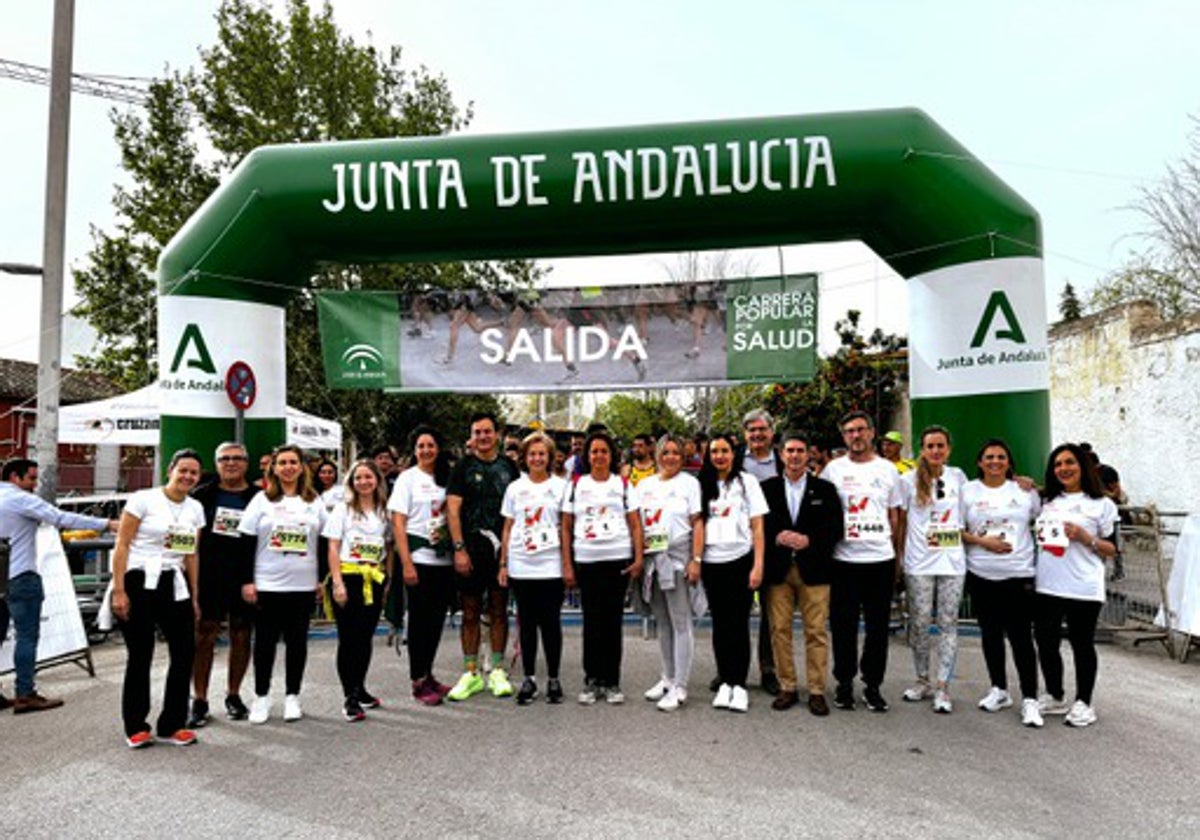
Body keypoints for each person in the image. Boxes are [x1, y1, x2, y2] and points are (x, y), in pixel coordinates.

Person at [0, 458, 116, 713]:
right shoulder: (21, 499)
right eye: (30, 478)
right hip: (21, 576)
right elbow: (59, 517)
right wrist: (106, 524)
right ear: (15, 478)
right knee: (27, 636)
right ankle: (25, 693)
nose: (34, 484)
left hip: (2, 575)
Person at [111, 449, 206, 748]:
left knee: (184, 652)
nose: (188, 476)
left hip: (174, 582)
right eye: (183, 470)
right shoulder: (144, 499)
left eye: (194, 473)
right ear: (170, 470)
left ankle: (173, 723)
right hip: (139, 579)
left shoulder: (195, 509)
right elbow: (122, 544)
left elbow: (191, 555)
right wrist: (119, 589)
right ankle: (135, 725)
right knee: (141, 653)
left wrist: (194, 596)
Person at [239, 444, 328, 724]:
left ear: (302, 467)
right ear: (273, 468)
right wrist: (247, 581)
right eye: (283, 463)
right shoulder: (261, 500)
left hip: (303, 584)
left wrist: (321, 579)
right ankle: (261, 697)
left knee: (297, 643)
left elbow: (325, 542)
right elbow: (246, 542)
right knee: (264, 643)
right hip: (267, 583)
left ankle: (293, 696)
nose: (288, 467)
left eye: (293, 462)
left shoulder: (314, 501)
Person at [822, 410, 904, 712]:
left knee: (877, 628)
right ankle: (844, 683)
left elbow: (895, 514)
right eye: (849, 431)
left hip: (880, 560)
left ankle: (872, 685)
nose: (855, 436)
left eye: (860, 430)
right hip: (844, 560)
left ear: (871, 432)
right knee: (843, 626)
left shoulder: (888, 470)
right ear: (844, 437)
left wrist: (897, 556)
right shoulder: (832, 470)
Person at [1033, 443, 1119, 728]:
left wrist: (1085, 537)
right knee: (1046, 642)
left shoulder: (1102, 505)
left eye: (1069, 462)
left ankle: (1084, 702)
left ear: (1082, 466)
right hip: (1048, 584)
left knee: (1082, 644)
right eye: (1058, 464)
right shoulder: (1047, 501)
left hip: (1083, 586)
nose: (1064, 469)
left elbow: (1112, 549)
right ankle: (1056, 695)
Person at [961, 438, 1044, 727]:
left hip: (1018, 573)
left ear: (1009, 462)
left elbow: (1043, 519)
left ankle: (1031, 699)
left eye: (1000, 457)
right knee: (990, 634)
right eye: (988, 457)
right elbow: (956, 530)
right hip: (981, 573)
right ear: (979, 462)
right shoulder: (968, 491)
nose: (994, 461)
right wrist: (983, 541)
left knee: (1021, 637)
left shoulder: (1024, 491)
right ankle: (999, 689)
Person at [760, 431, 844, 716]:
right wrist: (776, 536)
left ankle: (817, 690)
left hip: (815, 570)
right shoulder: (767, 488)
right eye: (789, 451)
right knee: (779, 631)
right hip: (778, 571)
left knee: (816, 632)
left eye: (800, 451)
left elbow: (835, 529)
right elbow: (757, 526)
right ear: (781, 454)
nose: (794, 456)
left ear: (809, 454)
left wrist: (810, 541)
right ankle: (788, 686)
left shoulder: (825, 489)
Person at [562, 430, 644, 704]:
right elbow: (565, 526)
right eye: (594, 451)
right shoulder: (576, 485)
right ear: (586, 456)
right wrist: (567, 564)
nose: (598, 456)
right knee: (592, 621)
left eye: (604, 451)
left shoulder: (622, 485)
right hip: (586, 559)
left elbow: (635, 523)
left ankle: (612, 681)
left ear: (612, 456)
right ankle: (591, 679)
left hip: (617, 559)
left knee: (612, 622)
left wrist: (638, 557)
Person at [445, 412, 521, 700]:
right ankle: (471, 672)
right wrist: (459, 548)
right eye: (477, 432)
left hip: (502, 549)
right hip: (471, 549)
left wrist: (510, 551)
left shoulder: (509, 467)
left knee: (499, 609)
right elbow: (452, 510)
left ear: (497, 434)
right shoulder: (463, 467)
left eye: (487, 432)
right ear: (472, 436)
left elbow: (515, 512)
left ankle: (498, 670)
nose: (483, 437)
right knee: (471, 611)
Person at [897, 426, 969, 713]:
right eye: (930, 446)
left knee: (949, 623)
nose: (936, 451)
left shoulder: (959, 477)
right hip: (919, 562)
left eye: (941, 446)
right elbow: (901, 522)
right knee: (920, 624)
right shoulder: (907, 480)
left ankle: (943, 686)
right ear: (922, 449)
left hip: (952, 561)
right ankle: (922, 679)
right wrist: (899, 557)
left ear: (948, 448)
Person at [188, 442, 259, 726]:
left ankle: (234, 695)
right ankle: (200, 699)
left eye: (237, 458)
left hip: (245, 577)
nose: (231, 463)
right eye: (225, 459)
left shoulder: (260, 497)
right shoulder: (201, 496)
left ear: (246, 462)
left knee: (242, 634)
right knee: (205, 635)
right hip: (209, 576)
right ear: (216, 464)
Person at [498, 432, 571, 704]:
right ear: (525, 458)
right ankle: (529, 678)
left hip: (550, 565)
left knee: (551, 623)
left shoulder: (562, 487)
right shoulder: (515, 488)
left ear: (550, 457)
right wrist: (504, 563)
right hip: (521, 564)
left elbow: (565, 527)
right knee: (526, 624)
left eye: (542, 454)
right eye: (532, 454)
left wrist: (566, 564)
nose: (537, 458)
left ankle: (553, 678)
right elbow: (507, 527)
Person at [697, 432, 767, 713]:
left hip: (740, 560)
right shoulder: (702, 484)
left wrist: (758, 565)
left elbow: (758, 527)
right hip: (712, 564)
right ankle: (725, 680)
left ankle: (739, 684)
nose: (719, 456)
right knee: (720, 625)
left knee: (738, 624)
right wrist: (697, 560)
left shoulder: (747, 482)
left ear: (733, 453)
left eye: (724, 451)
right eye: (714, 451)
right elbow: (699, 524)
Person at [636, 433, 704, 712]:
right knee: (661, 622)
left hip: (678, 559)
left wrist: (696, 559)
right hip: (654, 560)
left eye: (676, 452)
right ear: (657, 455)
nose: (671, 457)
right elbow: (638, 524)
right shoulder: (645, 485)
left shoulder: (690, 483)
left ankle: (681, 685)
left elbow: (697, 523)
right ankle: (667, 677)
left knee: (681, 622)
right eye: (666, 452)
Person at [389, 426, 456, 705]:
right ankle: (417, 680)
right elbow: (398, 522)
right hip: (419, 559)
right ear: (414, 450)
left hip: (444, 559)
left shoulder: (447, 477)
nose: (426, 450)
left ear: (438, 448)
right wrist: (406, 563)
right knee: (419, 622)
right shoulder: (407, 479)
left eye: (430, 445)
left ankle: (428, 674)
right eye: (420, 446)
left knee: (436, 621)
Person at [324, 459, 392, 721]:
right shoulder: (342, 510)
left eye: (368, 477)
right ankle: (349, 697)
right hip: (348, 576)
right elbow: (332, 547)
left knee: (365, 638)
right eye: (358, 478)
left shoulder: (384, 511)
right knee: (349, 638)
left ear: (377, 480)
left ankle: (360, 687)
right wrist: (338, 583)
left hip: (372, 578)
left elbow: (387, 548)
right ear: (351, 482)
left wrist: (385, 579)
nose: (363, 482)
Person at [741, 408, 781, 696]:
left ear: (771, 433)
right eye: (752, 430)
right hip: (738, 547)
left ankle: (769, 670)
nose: (757, 435)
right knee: (736, 613)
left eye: (761, 430)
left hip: (774, 547)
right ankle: (733, 670)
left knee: (771, 614)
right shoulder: (732, 462)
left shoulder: (783, 462)